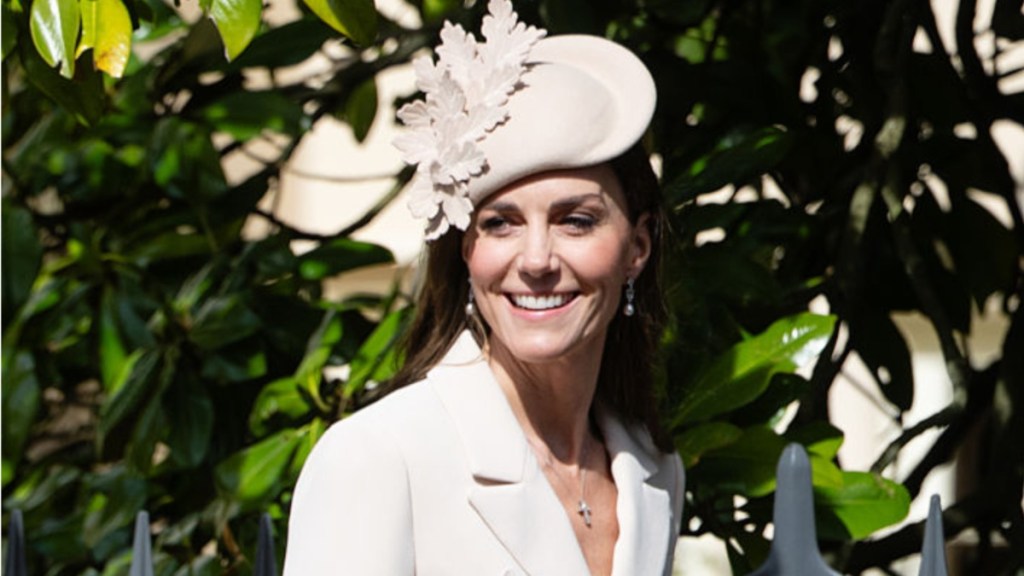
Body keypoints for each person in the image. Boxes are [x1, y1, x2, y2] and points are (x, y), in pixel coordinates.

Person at [282, 1, 684, 574]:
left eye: (576, 221)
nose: (537, 259)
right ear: (465, 252)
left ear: (637, 249)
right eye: (500, 223)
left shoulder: (655, 471)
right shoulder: (379, 457)